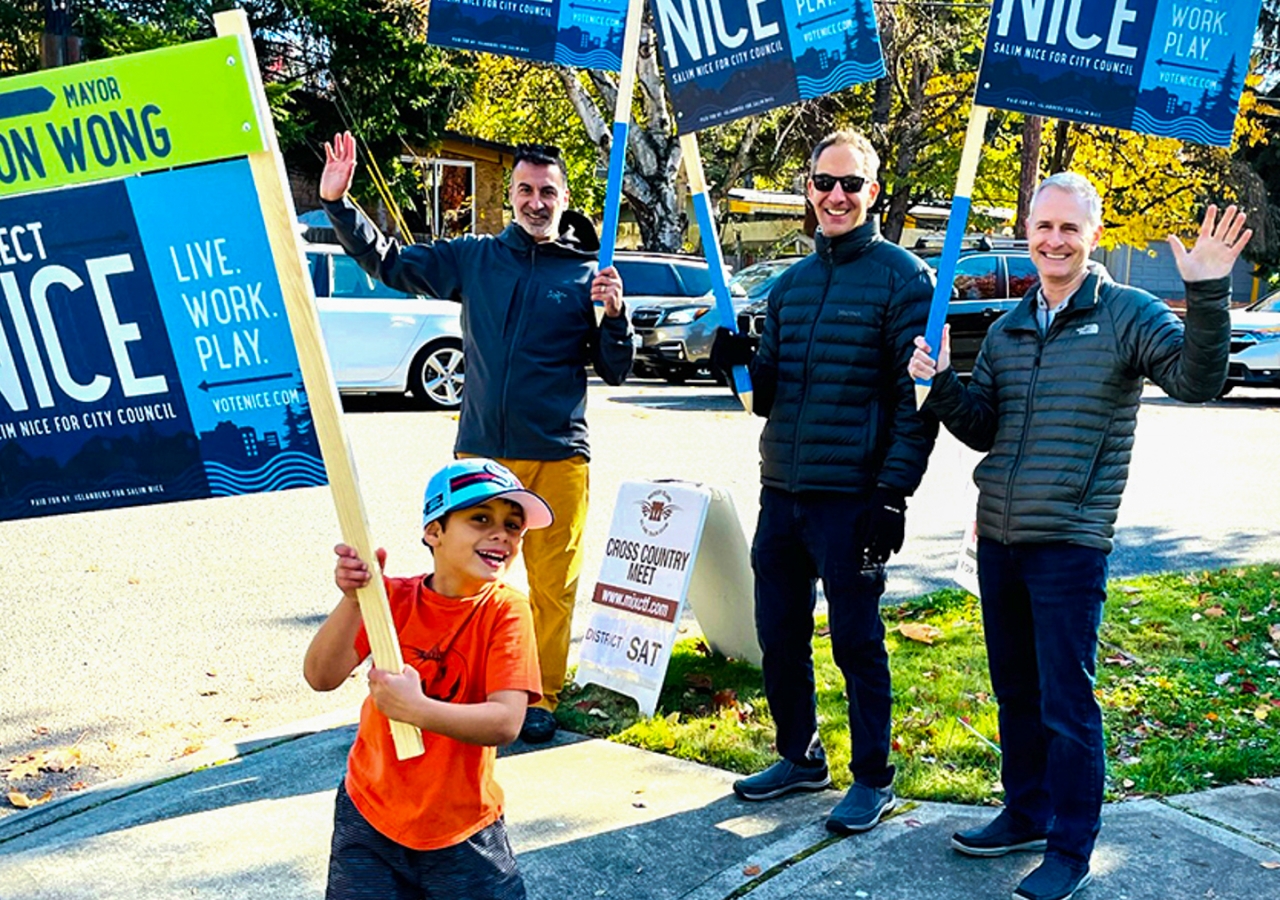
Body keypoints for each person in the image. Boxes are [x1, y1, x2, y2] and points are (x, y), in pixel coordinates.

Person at [908, 173, 1251, 900]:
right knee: (1017, 693)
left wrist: (1211, 293)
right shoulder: (1009, 326)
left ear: (1093, 235)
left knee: (1067, 704)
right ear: (1027, 232)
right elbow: (984, 430)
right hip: (999, 539)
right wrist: (942, 384)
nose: (1054, 240)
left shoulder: (1128, 313)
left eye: (1069, 227)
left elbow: (1198, 382)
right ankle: (1026, 812)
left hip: (1070, 542)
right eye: (1043, 227)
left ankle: (1069, 846)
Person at [320, 133, 633, 743]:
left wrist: (615, 315)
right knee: (464, 574)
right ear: (510, 197)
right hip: (483, 452)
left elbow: (615, 368)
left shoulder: (587, 275)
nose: (535, 201)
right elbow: (391, 263)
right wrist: (339, 204)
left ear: (564, 199)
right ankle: (456, 679)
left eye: (547, 192)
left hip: (559, 452)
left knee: (553, 583)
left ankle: (537, 694)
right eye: (525, 190)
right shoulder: (476, 258)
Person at [710, 129, 938, 834]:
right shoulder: (789, 286)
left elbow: (915, 404)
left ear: (872, 193)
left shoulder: (904, 279)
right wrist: (737, 364)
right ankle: (799, 755)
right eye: (823, 183)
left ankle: (874, 775)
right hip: (782, 491)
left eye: (850, 184)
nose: (835, 196)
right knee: (777, 633)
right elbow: (768, 398)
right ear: (808, 191)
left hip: (853, 497)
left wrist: (894, 494)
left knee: (855, 640)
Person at [304, 457, 553, 900]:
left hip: (462, 827)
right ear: (433, 532)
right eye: (481, 518)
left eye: (514, 526)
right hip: (370, 815)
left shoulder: (505, 611)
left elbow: (506, 723)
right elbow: (320, 675)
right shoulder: (392, 600)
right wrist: (354, 601)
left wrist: (414, 709)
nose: (502, 534)